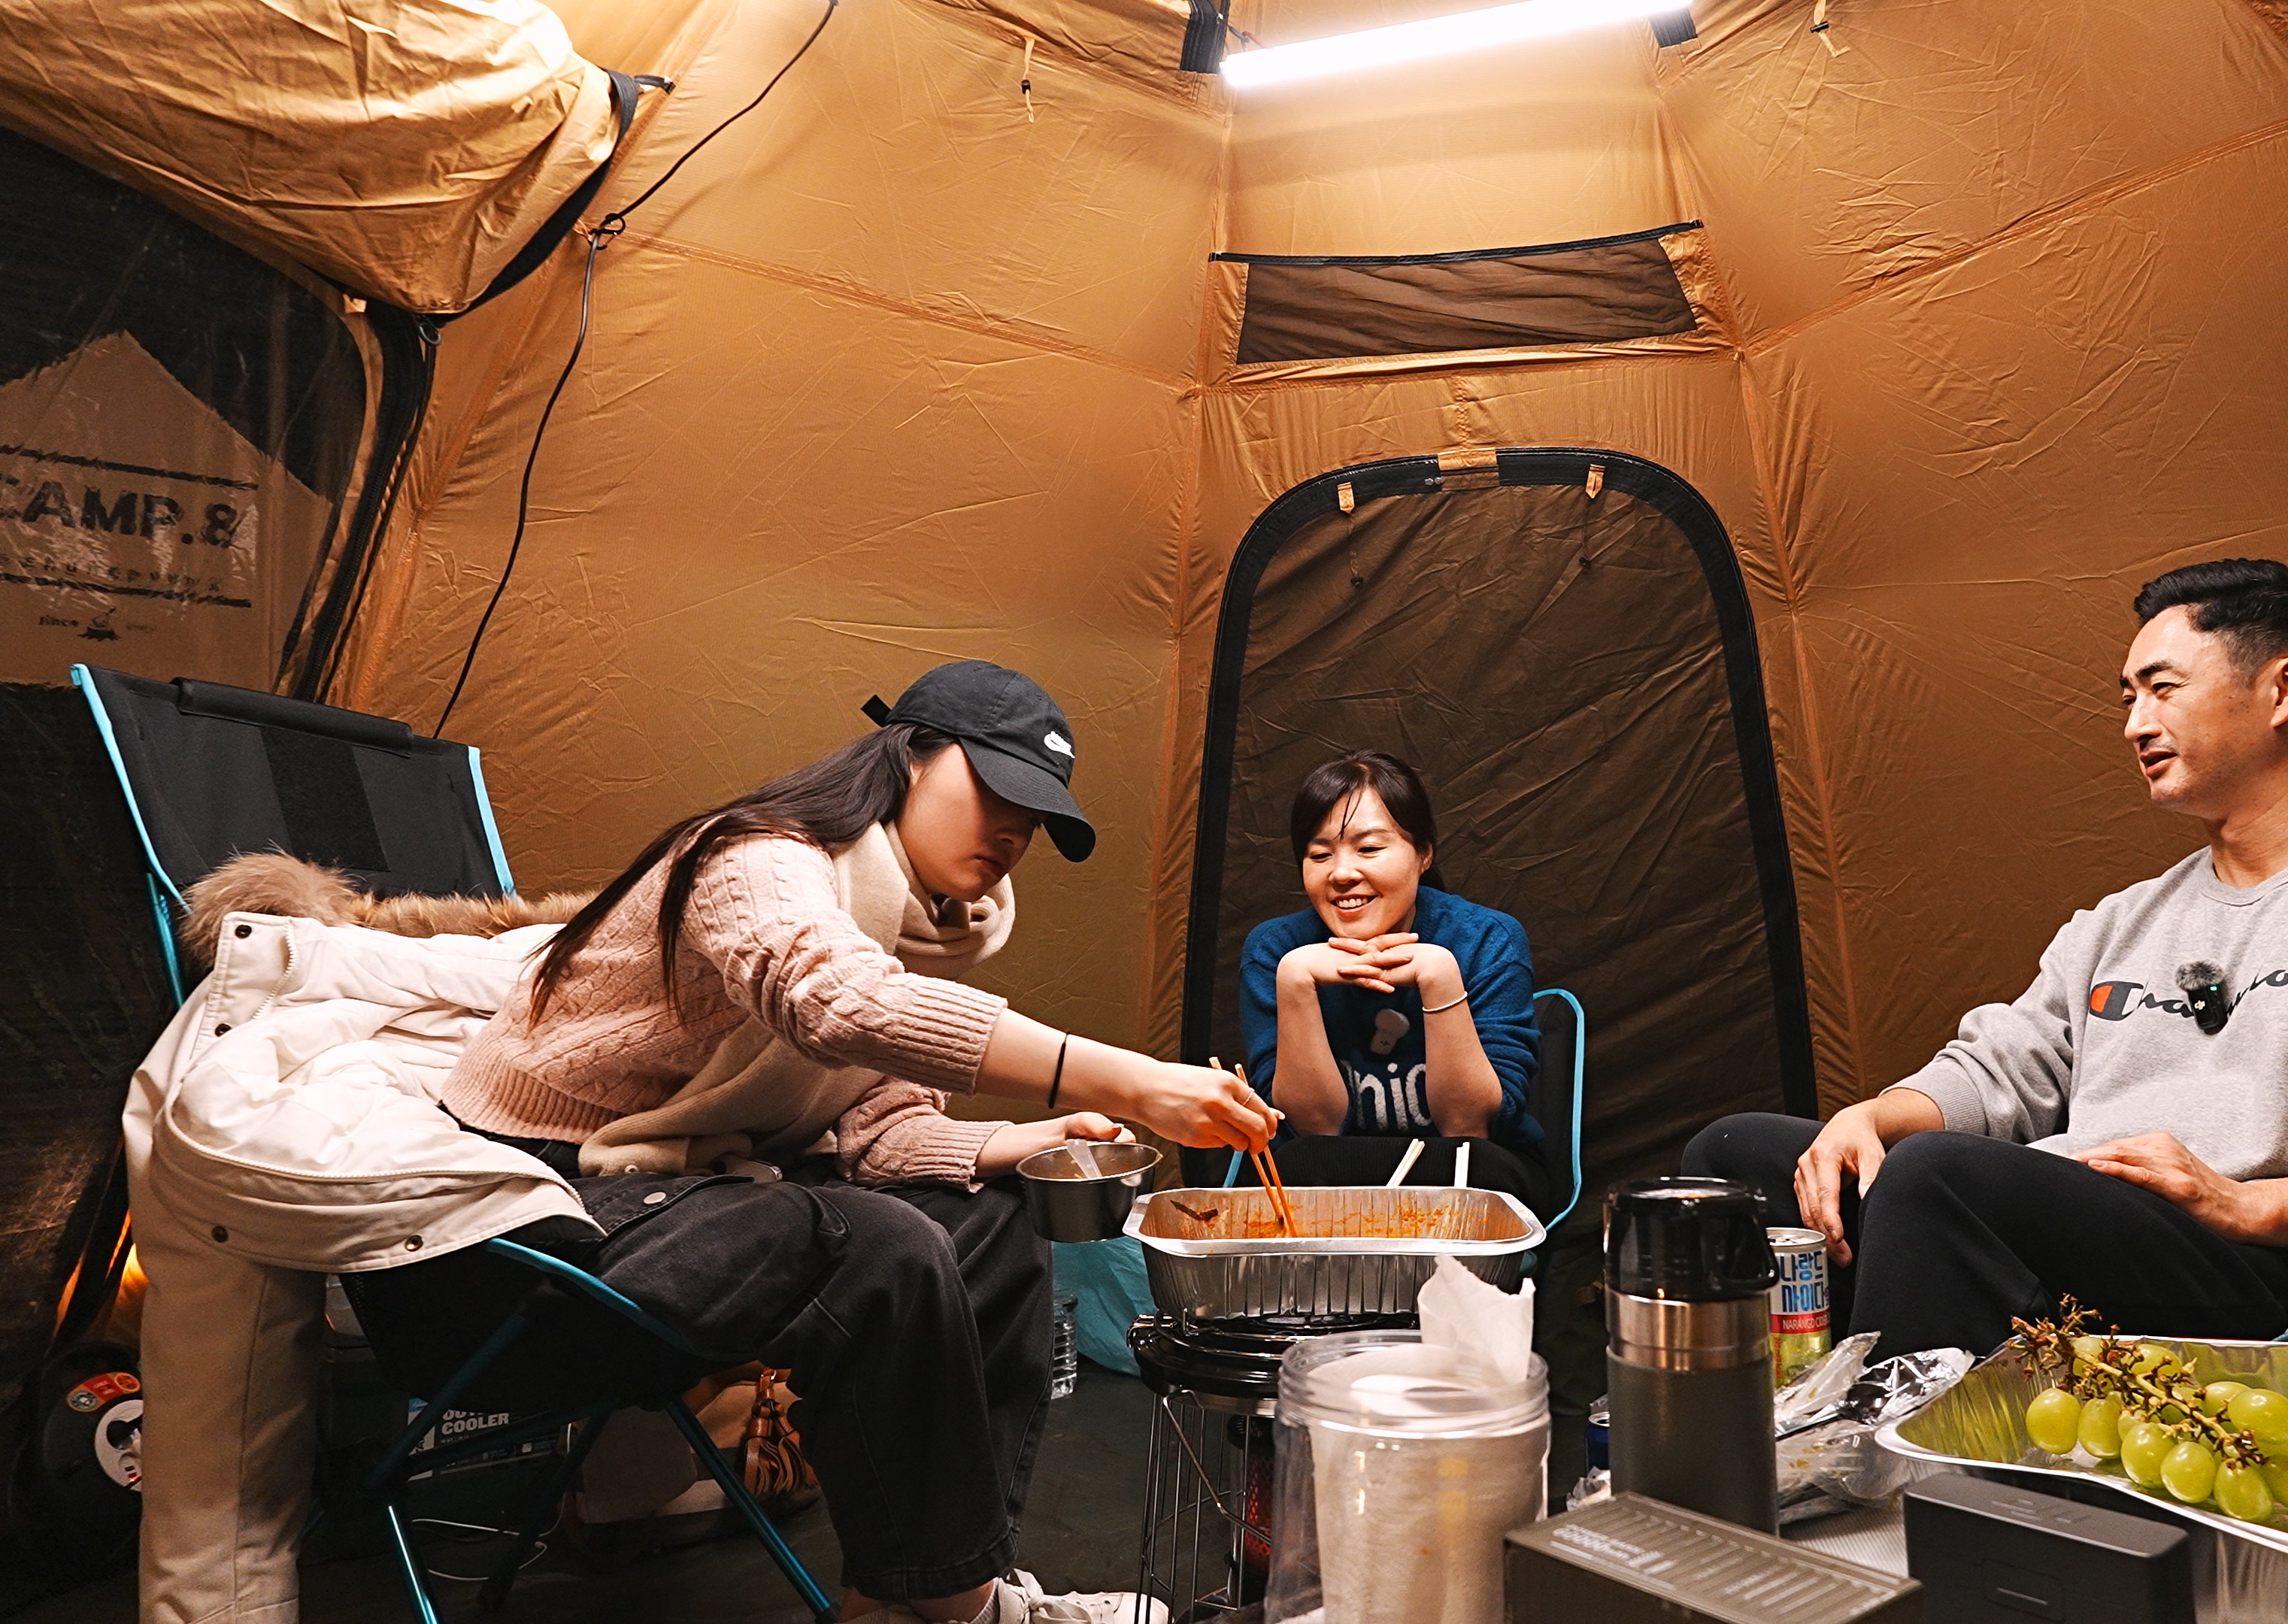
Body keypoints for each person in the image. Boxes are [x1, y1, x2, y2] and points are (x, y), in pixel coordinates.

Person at [346, 660, 1278, 1624]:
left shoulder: (922, 930)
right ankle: (962, 1609)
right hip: (523, 1231)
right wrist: (1126, 1077)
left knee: (1000, 1221)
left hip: (680, 1207)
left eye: (1035, 818)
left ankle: (908, 1595)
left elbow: (877, 1132)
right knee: (878, 1244)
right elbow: (831, 1000)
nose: (1014, 832)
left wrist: (1013, 1142)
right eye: (996, 791)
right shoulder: (754, 856)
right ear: (910, 758)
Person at [1684, 559, 2288, 1363]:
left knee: (1937, 1180)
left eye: (2162, 688)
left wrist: (2257, 1206)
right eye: (2126, 696)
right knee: (1737, 1159)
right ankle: (1767, 1449)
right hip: (2086, 1223)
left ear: (2283, 688)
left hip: (2272, 1261)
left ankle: (1903, 1499)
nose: (2133, 723)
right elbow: (2005, 1069)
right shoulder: (2125, 920)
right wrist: (1873, 1117)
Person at [1238, 750, 1546, 1207]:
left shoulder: (1487, 938)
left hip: (1469, 1173)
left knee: (1482, 1165)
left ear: (1424, 854)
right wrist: (1296, 983)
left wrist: (1440, 978)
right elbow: (1313, 1130)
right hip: (1326, 1176)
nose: (1342, 873)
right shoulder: (1275, 950)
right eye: (1319, 855)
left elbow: (1469, 1126)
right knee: (1296, 1163)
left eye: (1369, 849)